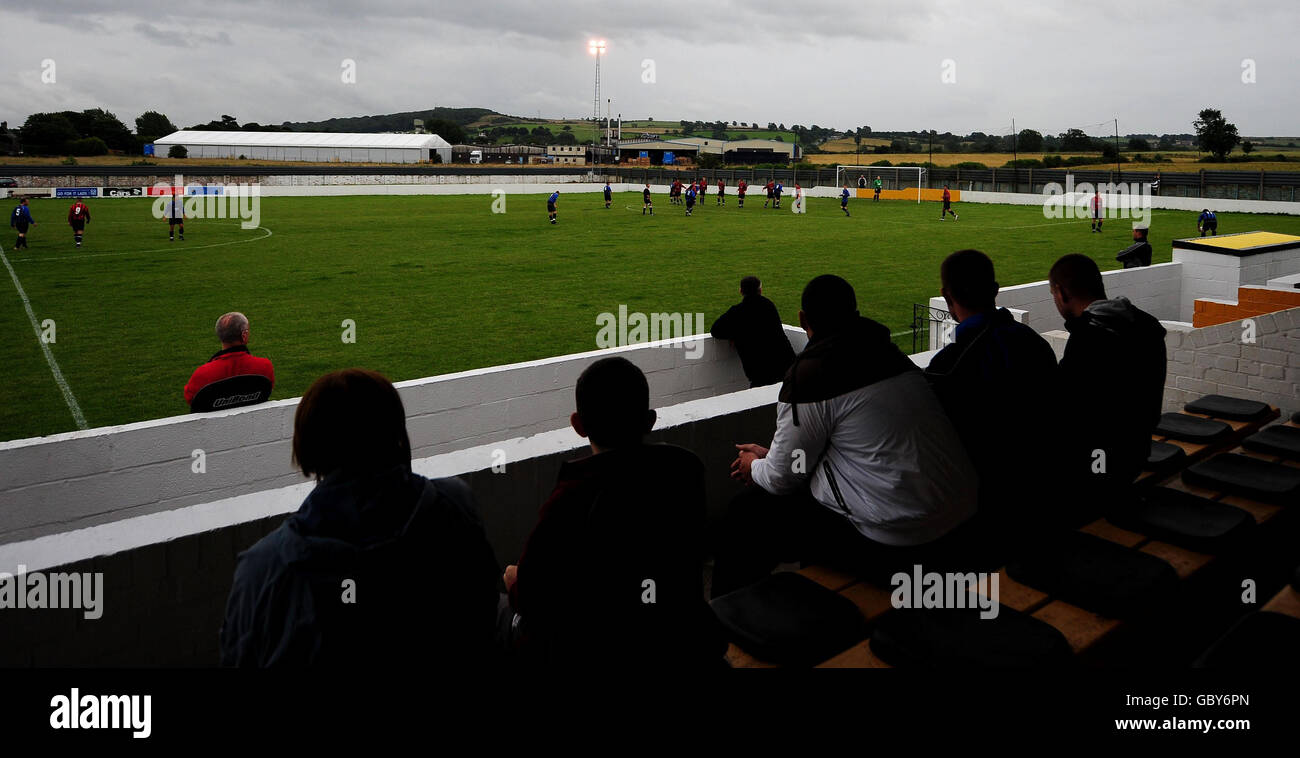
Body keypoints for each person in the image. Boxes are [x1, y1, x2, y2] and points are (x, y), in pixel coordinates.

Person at [711, 275, 979, 596]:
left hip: (901, 543)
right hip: (963, 521)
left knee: (747, 515)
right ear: (855, 312)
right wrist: (771, 458)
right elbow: (858, 448)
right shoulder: (891, 355)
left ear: (803, 319)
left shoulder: (811, 376)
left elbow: (783, 479)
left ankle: (728, 624)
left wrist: (752, 466)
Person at [220, 369, 501, 667]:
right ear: (395, 434)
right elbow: (482, 612)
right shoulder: (456, 504)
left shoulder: (263, 569)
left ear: (307, 446)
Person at [501, 357, 725, 667]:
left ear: (578, 425)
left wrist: (513, 578)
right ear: (650, 421)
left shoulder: (572, 498)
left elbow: (531, 598)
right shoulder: (685, 469)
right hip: (681, 638)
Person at [924, 250, 1060, 560]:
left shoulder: (949, 365)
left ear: (946, 296)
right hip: (1043, 496)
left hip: (984, 513)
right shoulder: (1033, 343)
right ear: (995, 290)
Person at [1049, 254, 1166, 527]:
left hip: (1098, 471)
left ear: (1062, 293)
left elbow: (1069, 413)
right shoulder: (1144, 324)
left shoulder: (1090, 337)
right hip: (1137, 454)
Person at [709, 275, 797, 387]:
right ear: (760, 290)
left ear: (741, 291)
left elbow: (715, 330)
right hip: (787, 367)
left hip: (760, 374)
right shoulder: (769, 305)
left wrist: (734, 336)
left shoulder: (736, 312)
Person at [183, 312, 276, 407]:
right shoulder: (264, 366)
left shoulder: (202, 374)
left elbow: (190, 398)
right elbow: (268, 389)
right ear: (244, 336)